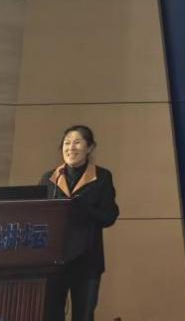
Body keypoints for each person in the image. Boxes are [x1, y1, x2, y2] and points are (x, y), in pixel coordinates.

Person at [40, 125, 119, 321]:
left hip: (87, 260)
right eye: (66, 143)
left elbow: (109, 216)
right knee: (50, 314)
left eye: (77, 143)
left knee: (83, 316)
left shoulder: (102, 177)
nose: (70, 148)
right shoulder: (50, 178)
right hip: (54, 261)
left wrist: (84, 208)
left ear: (89, 147)